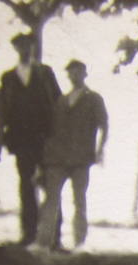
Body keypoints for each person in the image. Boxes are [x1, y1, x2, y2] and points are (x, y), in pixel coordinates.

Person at [37, 60, 108, 251]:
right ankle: (44, 243)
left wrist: (100, 150)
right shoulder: (61, 100)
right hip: (57, 158)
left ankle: (79, 243)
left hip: (81, 158)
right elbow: (52, 129)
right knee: (51, 200)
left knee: (79, 200)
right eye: (70, 73)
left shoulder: (94, 98)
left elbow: (104, 126)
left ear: (85, 74)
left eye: (77, 72)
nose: (73, 76)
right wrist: (46, 157)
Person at [0, 34, 60, 246]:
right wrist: (2, 139)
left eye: (29, 46)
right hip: (21, 139)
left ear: (33, 48)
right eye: (21, 46)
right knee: (25, 185)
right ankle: (29, 233)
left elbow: (57, 104)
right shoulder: (8, 77)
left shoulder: (45, 73)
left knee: (49, 185)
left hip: (44, 138)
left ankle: (53, 236)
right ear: (16, 49)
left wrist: (55, 135)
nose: (25, 50)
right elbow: (3, 110)